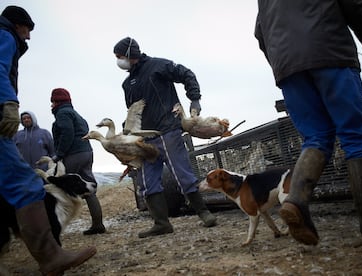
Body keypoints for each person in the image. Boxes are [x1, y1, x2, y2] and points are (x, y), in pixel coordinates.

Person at [254, 0, 362, 245]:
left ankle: (296, 202)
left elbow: (261, 32)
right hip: (330, 53)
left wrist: (284, 62)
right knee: (355, 136)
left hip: (288, 68)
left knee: (315, 137)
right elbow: (355, 5)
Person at [0, 5, 96, 274]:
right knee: (25, 184)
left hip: (68, 156)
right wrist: (7, 101)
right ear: (18, 25)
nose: (28, 37)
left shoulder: (56, 120)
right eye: (28, 29)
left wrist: (58, 154)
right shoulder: (5, 34)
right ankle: (51, 256)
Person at [113, 37, 217, 238]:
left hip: (167, 130)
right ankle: (161, 223)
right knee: (147, 181)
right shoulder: (127, 84)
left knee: (182, 174)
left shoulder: (158, 66)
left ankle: (204, 213)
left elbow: (187, 74)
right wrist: (127, 137)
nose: (118, 61)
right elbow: (132, 111)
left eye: (118, 56)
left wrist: (194, 99)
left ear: (128, 54)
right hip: (144, 139)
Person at [50, 87, 106, 235]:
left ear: (56, 101)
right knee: (88, 189)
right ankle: (98, 224)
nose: (51, 105)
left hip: (73, 154)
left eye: (52, 102)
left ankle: (57, 224)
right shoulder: (76, 114)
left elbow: (67, 133)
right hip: (86, 152)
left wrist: (59, 154)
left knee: (62, 187)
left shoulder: (63, 113)